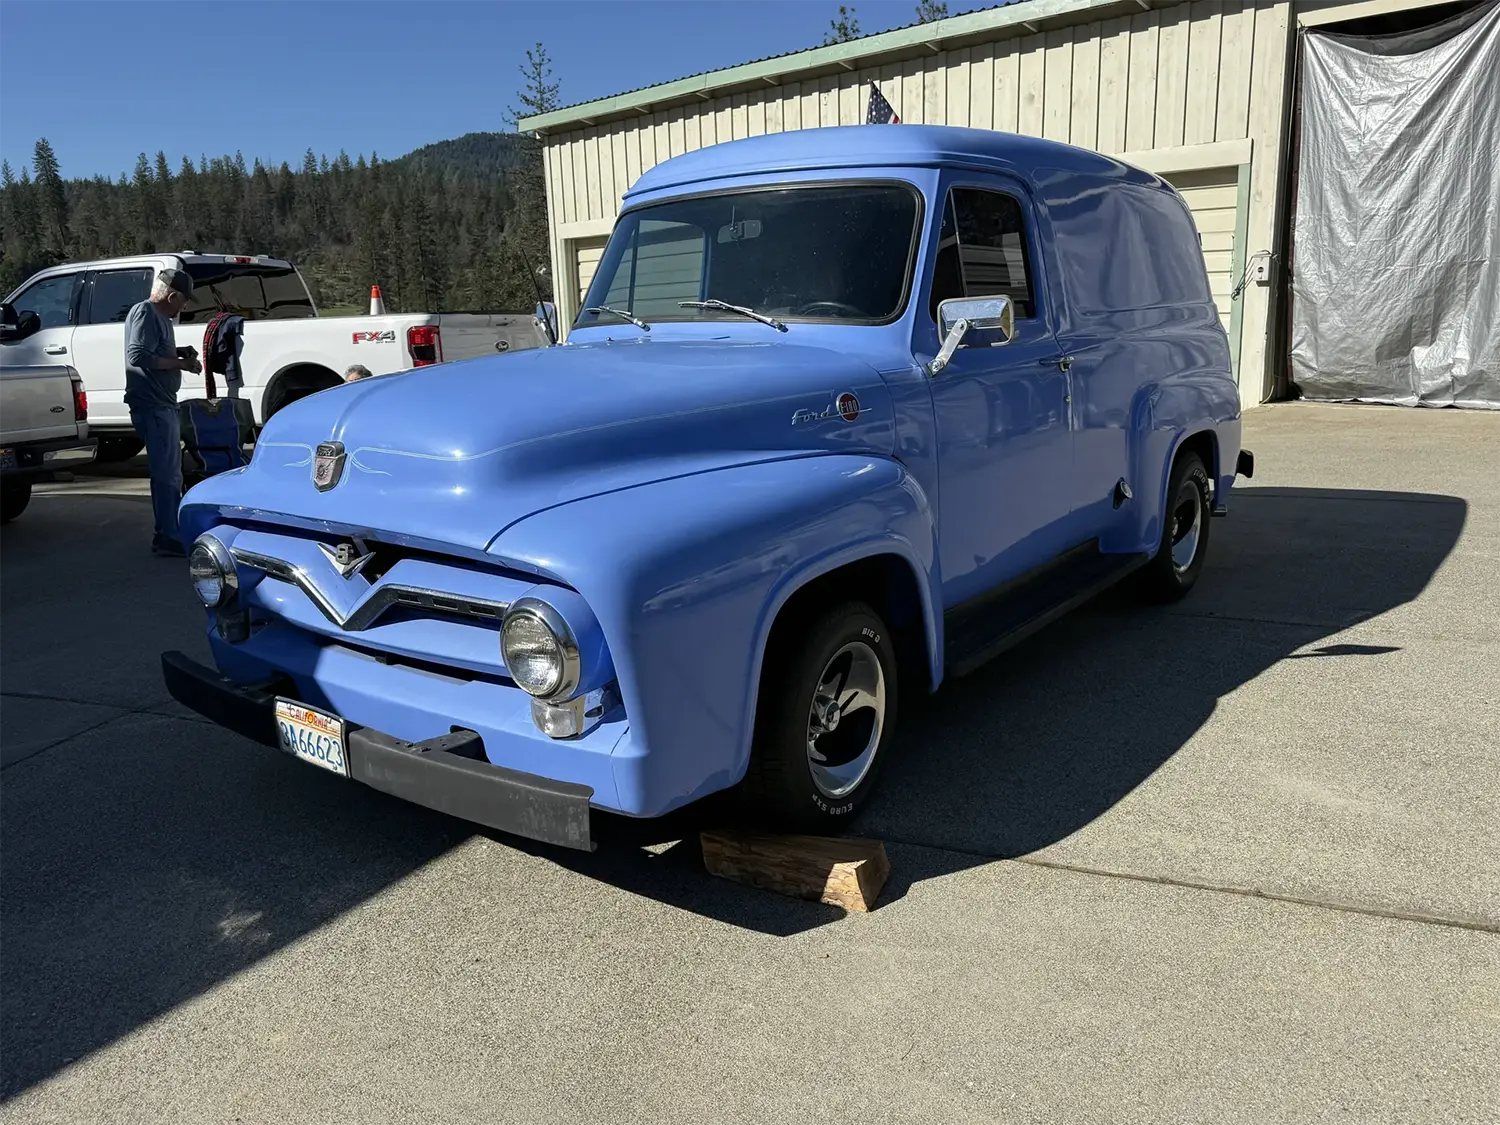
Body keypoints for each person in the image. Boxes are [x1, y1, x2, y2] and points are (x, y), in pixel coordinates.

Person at [124, 269, 201, 557]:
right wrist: (180, 364)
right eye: (184, 300)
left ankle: (169, 532)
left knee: (171, 473)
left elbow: (152, 348)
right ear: (172, 296)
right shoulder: (146, 312)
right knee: (167, 475)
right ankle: (168, 536)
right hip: (153, 405)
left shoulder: (159, 318)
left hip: (163, 404)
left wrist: (178, 352)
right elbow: (137, 355)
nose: (185, 306)